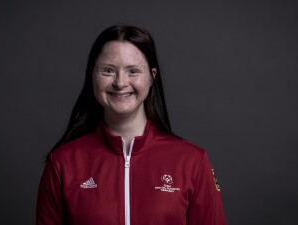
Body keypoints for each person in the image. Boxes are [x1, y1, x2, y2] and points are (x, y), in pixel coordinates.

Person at [36, 25, 227, 225]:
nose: (120, 82)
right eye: (108, 70)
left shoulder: (192, 162)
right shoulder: (62, 163)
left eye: (133, 71)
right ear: (92, 74)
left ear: (152, 77)